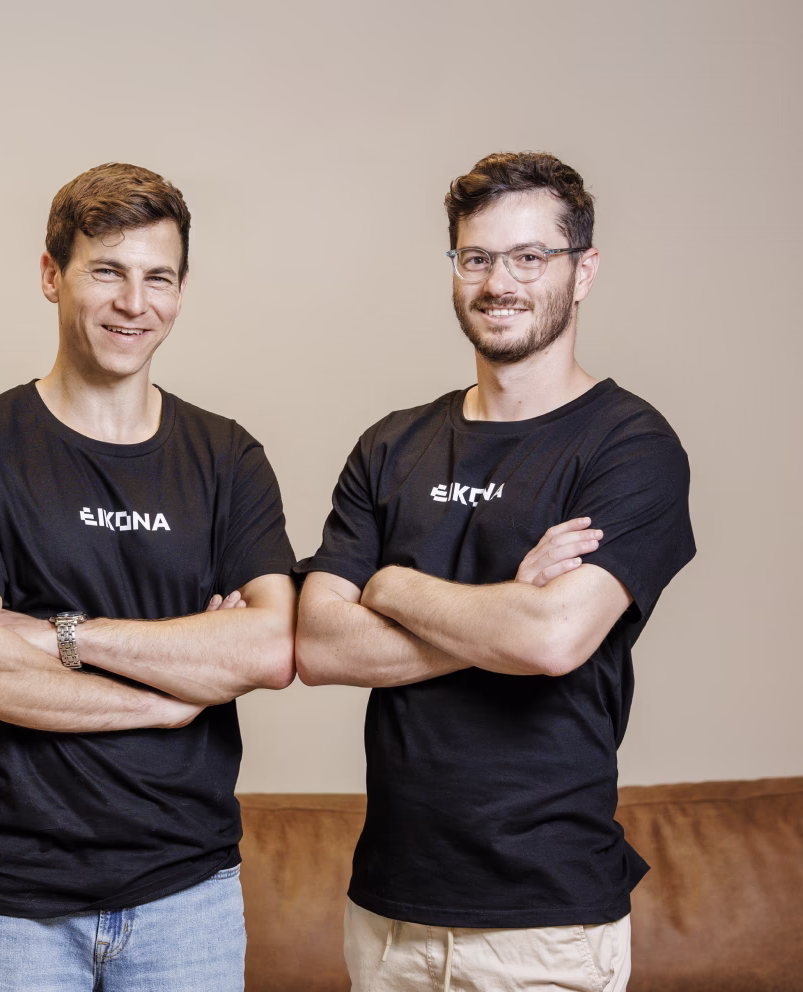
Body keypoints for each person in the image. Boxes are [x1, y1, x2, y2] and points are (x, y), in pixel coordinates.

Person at [0, 163, 297, 992]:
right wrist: (168, 697)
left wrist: (56, 635)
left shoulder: (227, 458)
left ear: (181, 291)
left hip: (188, 896)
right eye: (107, 271)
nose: (133, 303)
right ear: (52, 275)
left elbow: (268, 647)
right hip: (5, 901)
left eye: (159, 278)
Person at [295, 151, 695, 992]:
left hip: (545, 923)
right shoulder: (392, 445)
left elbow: (552, 639)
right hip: (388, 918)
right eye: (476, 257)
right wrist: (504, 608)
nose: (498, 283)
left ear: (583, 271)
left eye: (529, 257)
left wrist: (389, 585)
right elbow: (321, 645)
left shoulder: (629, 446)